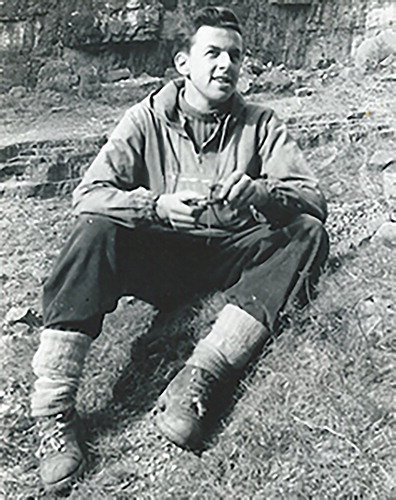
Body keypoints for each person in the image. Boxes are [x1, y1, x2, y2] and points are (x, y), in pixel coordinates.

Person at [31, 6, 329, 492]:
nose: (226, 66)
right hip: (161, 260)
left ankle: (200, 378)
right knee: (93, 229)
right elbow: (88, 194)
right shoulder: (145, 119)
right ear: (183, 63)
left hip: (229, 257)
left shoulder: (260, 122)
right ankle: (54, 412)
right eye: (212, 53)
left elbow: (312, 199)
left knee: (306, 232)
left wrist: (259, 192)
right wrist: (156, 207)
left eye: (235, 56)